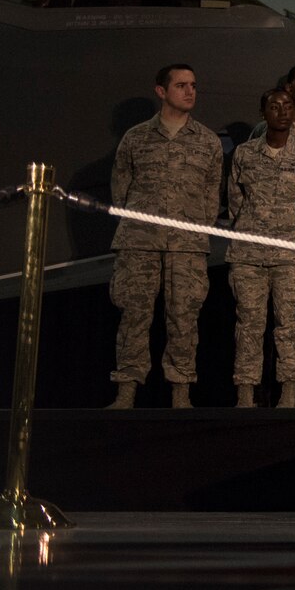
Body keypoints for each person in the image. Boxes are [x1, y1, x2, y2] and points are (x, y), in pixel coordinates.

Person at [106, 63, 224, 409]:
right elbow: (120, 189)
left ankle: (181, 392)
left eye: (193, 85)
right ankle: (126, 390)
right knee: (133, 316)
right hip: (139, 242)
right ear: (161, 91)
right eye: (181, 85)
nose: (190, 92)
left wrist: (193, 228)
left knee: (184, 317)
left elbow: (210, 195)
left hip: (187, 246)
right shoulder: (136, 138)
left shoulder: (207, 140)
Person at [226, 87, 295, 408]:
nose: (282, 112)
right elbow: (235, 203)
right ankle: (246, 393)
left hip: (291, 254)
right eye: (274, 106)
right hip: (249, 255)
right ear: (262, 112)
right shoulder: (244, 154)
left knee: (289, 324)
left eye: (287, 106)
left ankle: (289, 393)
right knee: (248, 324)